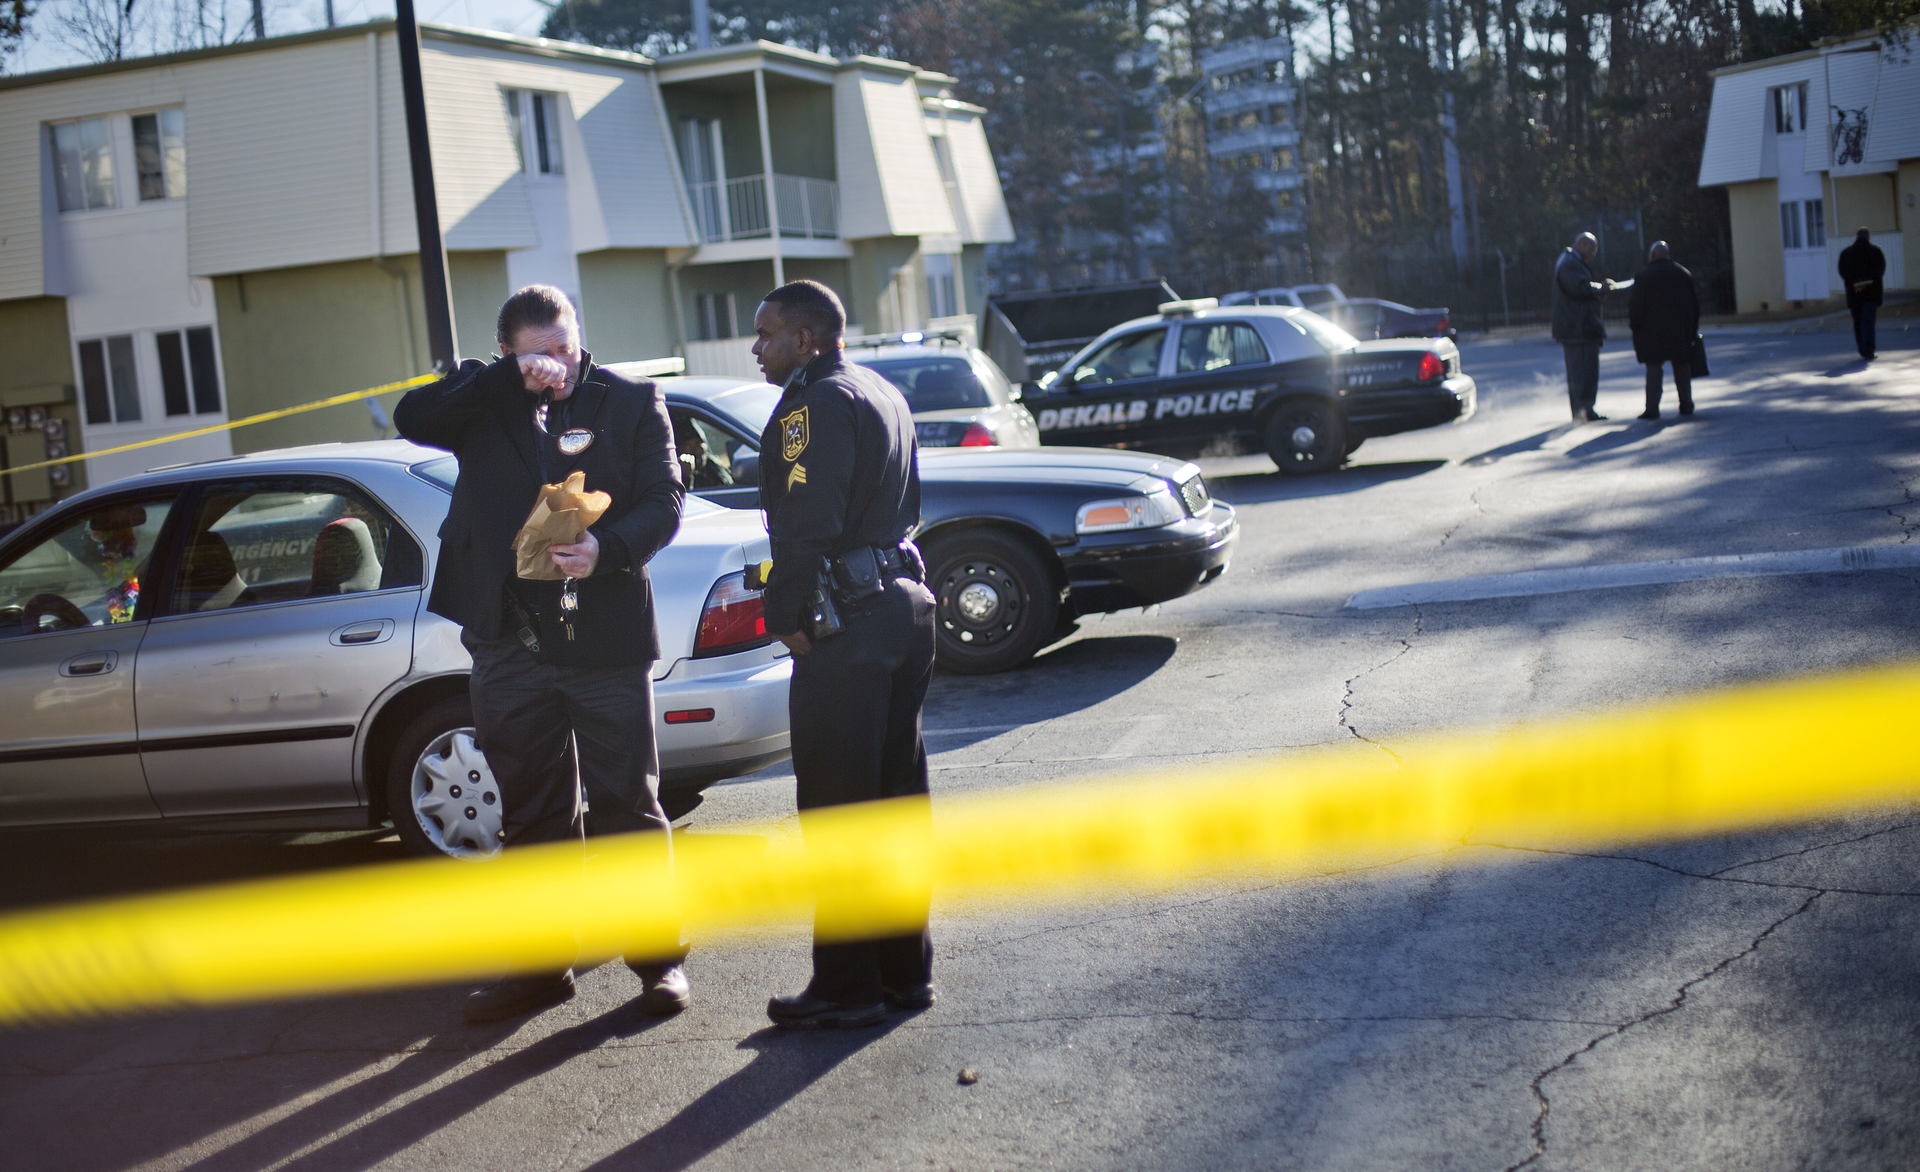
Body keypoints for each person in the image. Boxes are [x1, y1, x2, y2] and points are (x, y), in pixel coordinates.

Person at [394, 285, 690, 1025]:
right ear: (508, 352)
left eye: (565, 346)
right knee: (529, 814)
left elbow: (667, 498)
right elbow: (411, 417)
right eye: (539, 354)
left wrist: (607, 547)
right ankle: (539, 969)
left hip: (603, 640)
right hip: (508, 645)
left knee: (627, 803)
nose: (559, 364)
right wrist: (505, 381)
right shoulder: (482, 399)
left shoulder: (629, 400)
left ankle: (658, 965)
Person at [750, 279, 938, 1030]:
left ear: (806, 339)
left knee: (839, 810)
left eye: (766, 335)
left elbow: (805, 523)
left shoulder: (812, 403)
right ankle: (903, 974)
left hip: (848, 625)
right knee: (895, 803)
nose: (756, 349)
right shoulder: (882, 389)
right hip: (901, 611)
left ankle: (846, 988)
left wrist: (786, 613)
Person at [1626, 241, 1700, 420]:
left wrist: (1635, 327)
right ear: (1668, 255)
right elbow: (1694, 306)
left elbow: (1635, 307)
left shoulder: (1644, 276)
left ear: (1652, 256)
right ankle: (1686, 404)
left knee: (1653, 369)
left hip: (1652, 333)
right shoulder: (1683, 274)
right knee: (1681, 367)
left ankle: (1652, 408)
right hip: (1679, 331)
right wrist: (1692, 331)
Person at [1551, 232, 1619, 421]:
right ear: (1582, 244)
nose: (1594, 254)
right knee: (1583, 373)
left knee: (1583, 373)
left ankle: (1583, 410)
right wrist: (1601, 288)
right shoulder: (1569, 263)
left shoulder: (1570, 261)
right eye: (1593, 249)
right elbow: (1579, 288)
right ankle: (1583, 411)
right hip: (1577, 329)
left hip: (1578, 328)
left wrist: (1599, 288)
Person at [1837, 227, 1886, 361]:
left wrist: (1856, 283)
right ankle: (1869, 349)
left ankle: (1862, 349)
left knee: (1858, 322)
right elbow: (1879, 270)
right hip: (1871, 293)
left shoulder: (1846, 254)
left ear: (1856, 237)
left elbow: (1843, 271)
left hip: (1854, 294)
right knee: (1868, 322)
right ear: (1869, 237)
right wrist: (1866, 282)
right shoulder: (1876, 252)